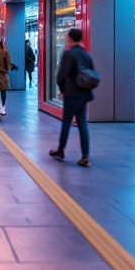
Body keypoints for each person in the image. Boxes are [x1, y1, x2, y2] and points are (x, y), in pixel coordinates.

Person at [48, 28, 94, 167]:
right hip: (84, 94)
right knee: (82, 124)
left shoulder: (68, 54)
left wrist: (62, 89)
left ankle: (61, 150)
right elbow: (91, 73)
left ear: (70, 39)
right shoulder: (86, 55)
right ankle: (85, 156)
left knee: (66, 123)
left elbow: (62, 74)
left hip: (71, 93)